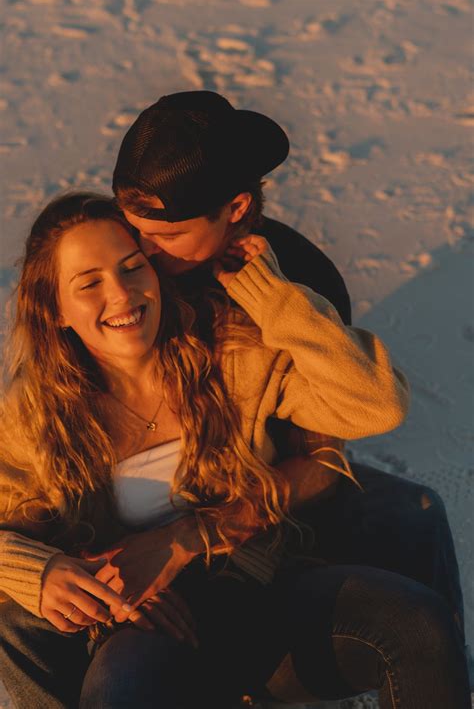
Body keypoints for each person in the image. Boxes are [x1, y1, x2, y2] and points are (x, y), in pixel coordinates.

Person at [0, 193, 470, 709]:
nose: (121, 294)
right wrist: (44, 571)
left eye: (133, 267)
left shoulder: (229, 354)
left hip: (258, 586)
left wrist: (267, 292)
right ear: (55, 310)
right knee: (121, 688)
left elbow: (376, 405)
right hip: (148, 629)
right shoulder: (36, 414)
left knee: (418, 624)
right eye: (89, 283)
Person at [110, 90, 466, 630]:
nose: (144, 252)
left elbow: (324, 454)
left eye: (169, 235)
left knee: (417, 515)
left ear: (236, 208)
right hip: (130, 505)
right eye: (135, 228)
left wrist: (272, 300)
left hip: (263, 502)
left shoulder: (305, 281)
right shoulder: (116, 261)